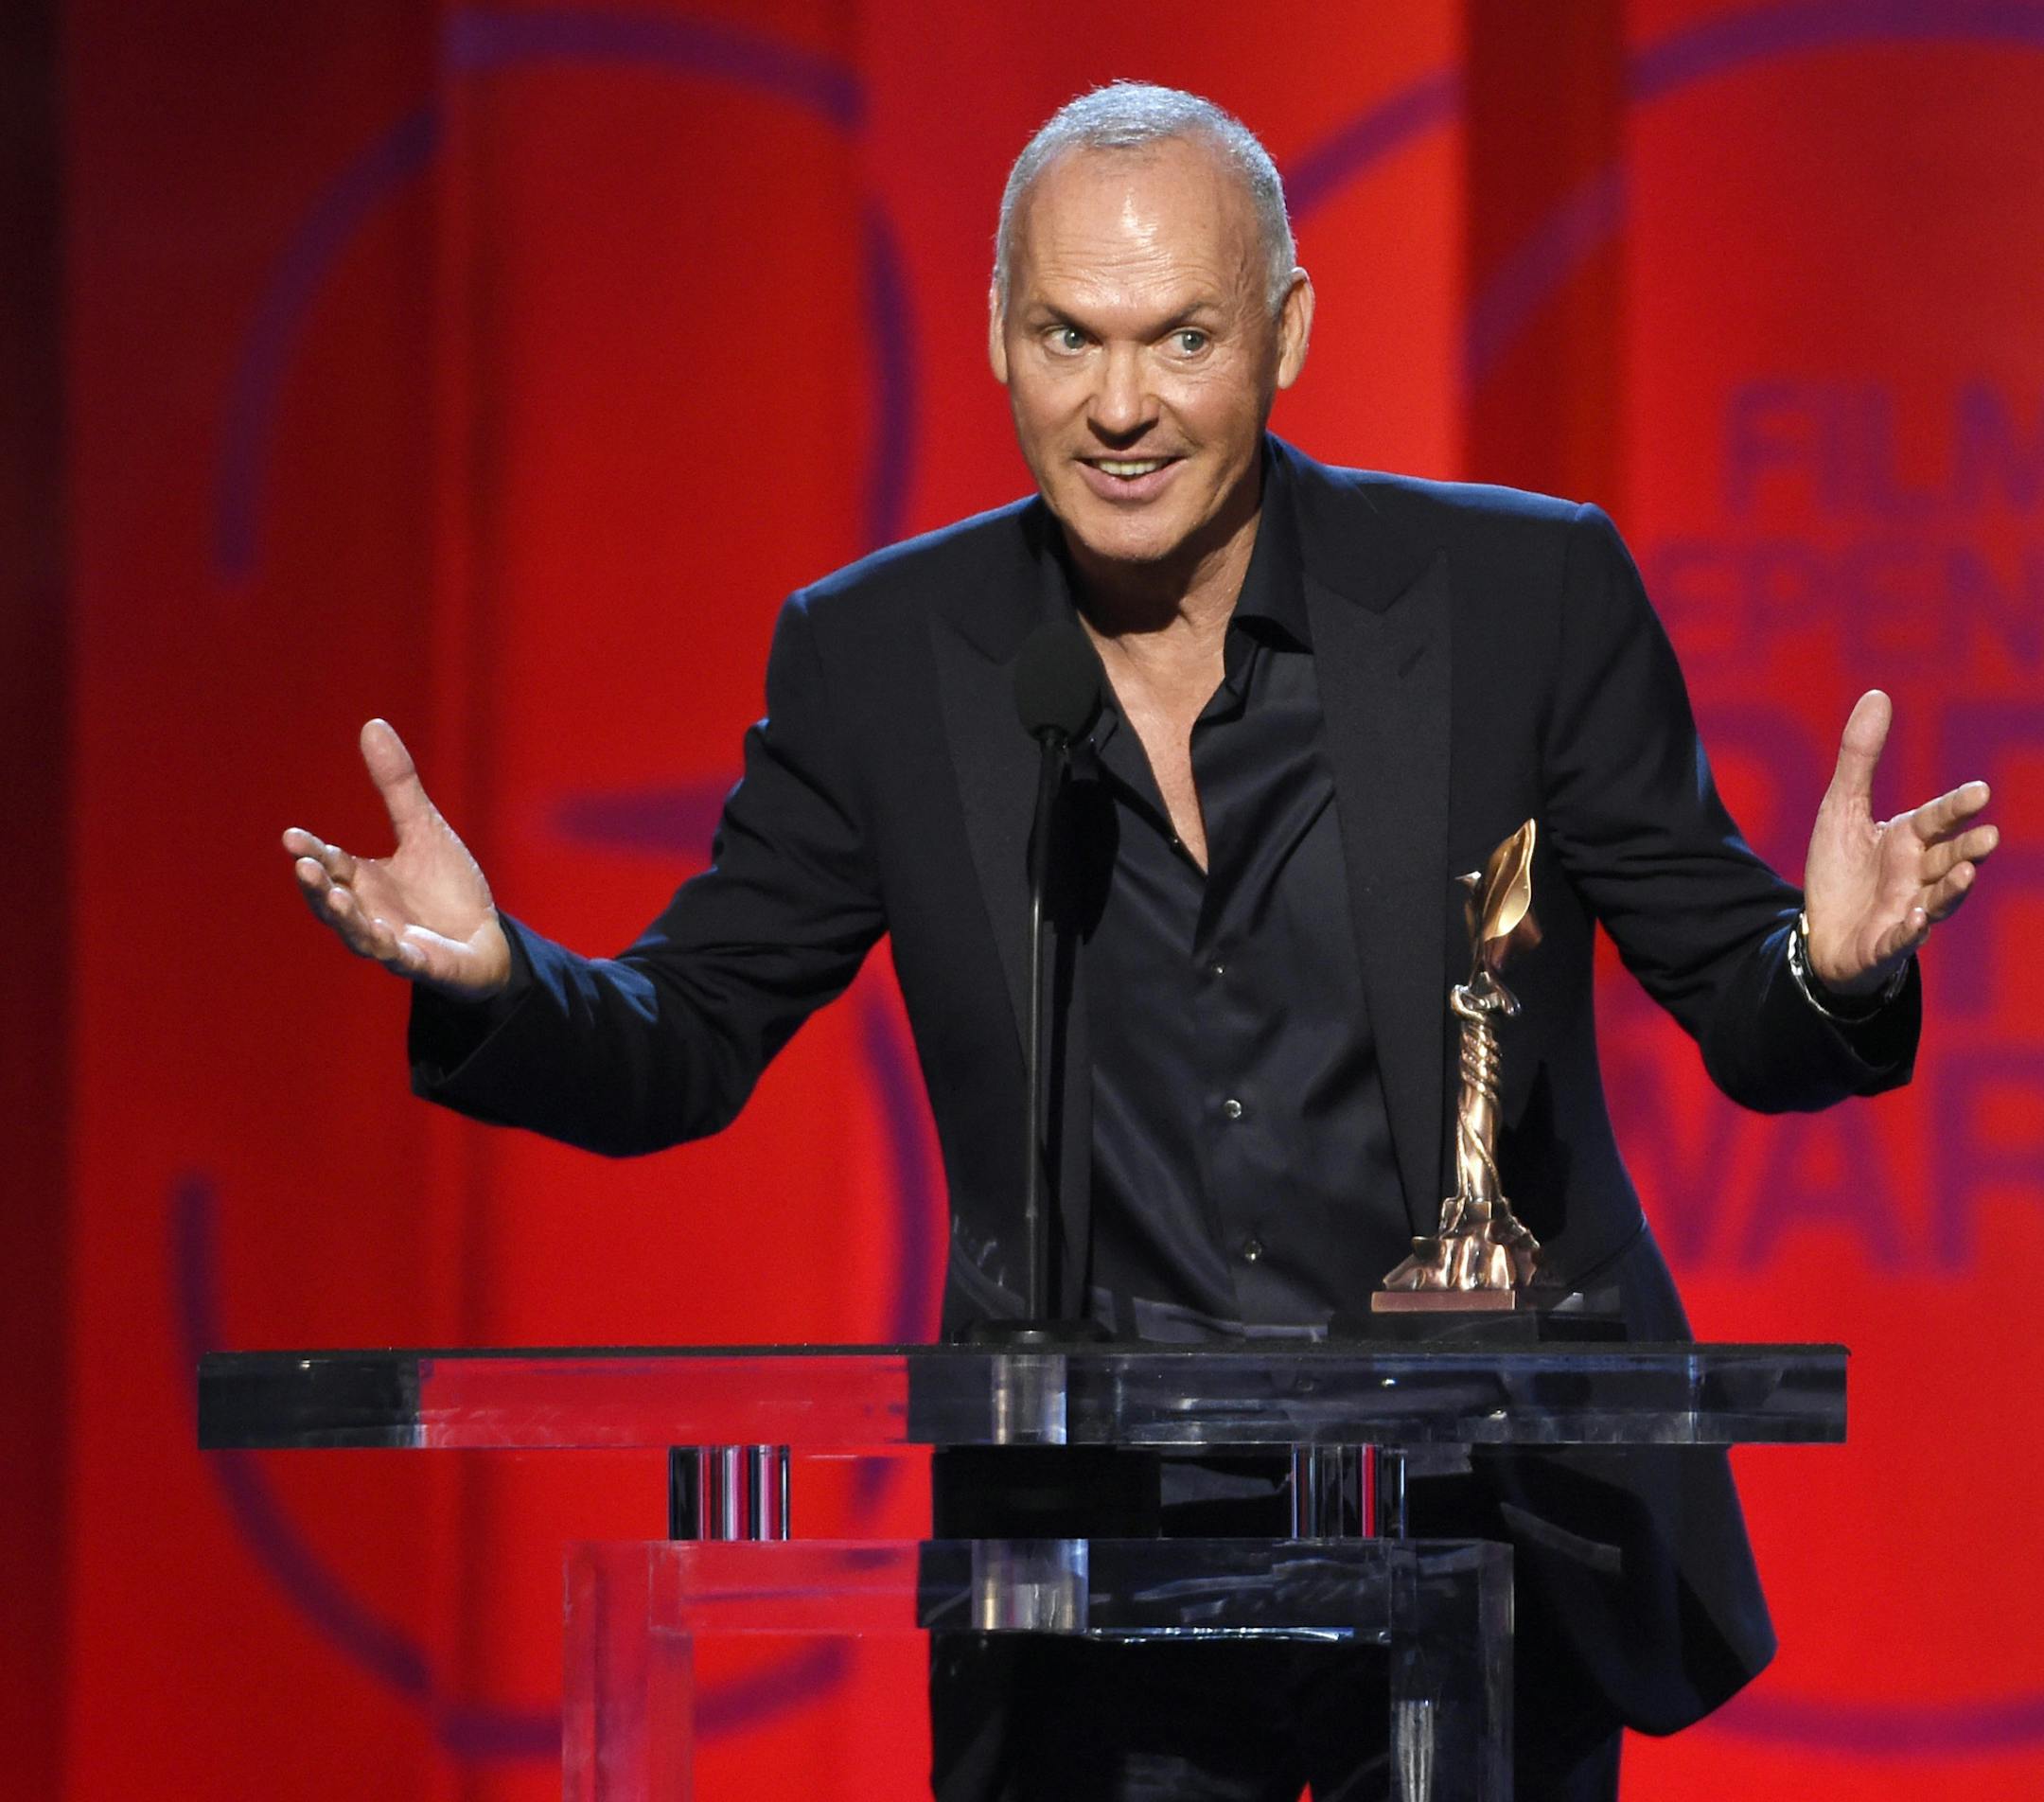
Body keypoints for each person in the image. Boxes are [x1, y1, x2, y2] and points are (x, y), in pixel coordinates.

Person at [285, 83, 1996, 1802]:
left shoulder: (1518, 601)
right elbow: (690, 1032)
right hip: (1090, 1570)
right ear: (995, 339)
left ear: (1287, 330)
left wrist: (1830, 972)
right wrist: (505, 980)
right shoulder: (886, 658)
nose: (1120, 407)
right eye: (1068, 337)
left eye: (1182, 339)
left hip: (1483, 1541)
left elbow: (1738, 998)